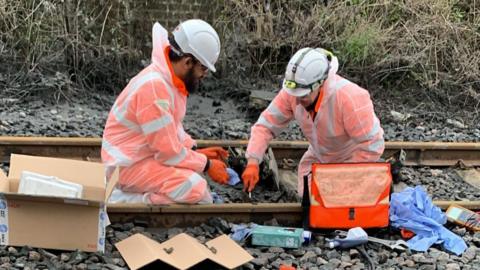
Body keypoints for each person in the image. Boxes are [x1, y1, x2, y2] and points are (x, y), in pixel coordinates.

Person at [101, 19, 229, 204]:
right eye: (203, 68)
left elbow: (171, 129)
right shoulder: (155, 88)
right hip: (127, 167)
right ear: (187, 61)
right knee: (196, 191)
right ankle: (125, 199)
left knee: (193, 178)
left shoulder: (167, 80)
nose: (203, 75)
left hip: (138, 157)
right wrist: (206, 164)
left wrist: (195, 150)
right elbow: (168, 153)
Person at [242, 48, 385, 195]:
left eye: (303, 96)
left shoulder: (349, 98)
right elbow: (265, 126)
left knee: (338, 208)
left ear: (320, 84)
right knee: (309, 205)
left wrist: (343, 177)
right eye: (295, 94)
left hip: (351, 162)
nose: (297, 100)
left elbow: (373, 144)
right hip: (318, 158)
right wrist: (253, 161)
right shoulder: (293, 92)